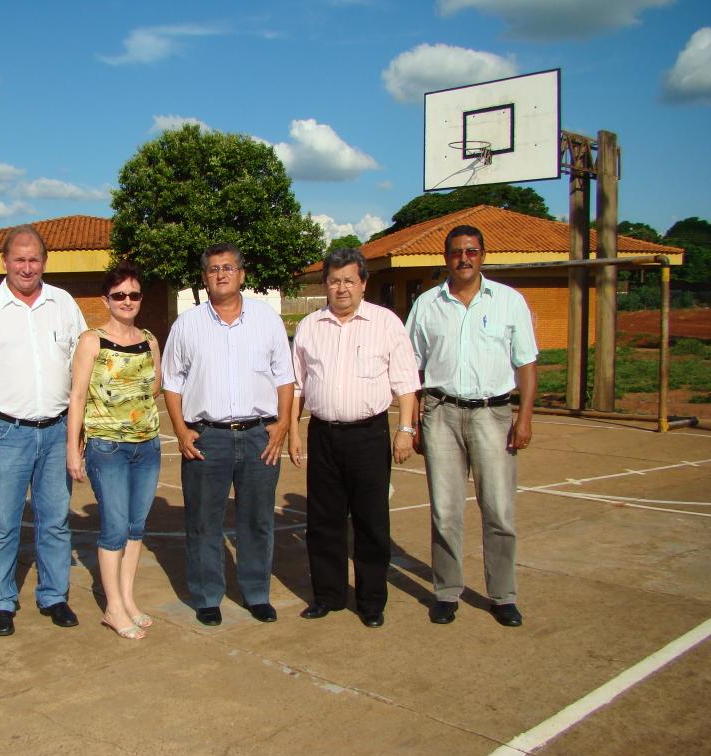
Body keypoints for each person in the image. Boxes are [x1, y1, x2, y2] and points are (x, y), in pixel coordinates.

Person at [0, 224, 87, 637]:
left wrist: (77, 430)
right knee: (1, 522)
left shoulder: (63, 304)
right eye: (19, 259)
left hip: (56, 430)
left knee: (55, 520)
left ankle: (53, 595)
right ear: (4, 262)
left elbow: (82, 365)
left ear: (44, 262)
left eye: (34, 260)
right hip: (4, 432)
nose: (26, 267)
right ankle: (0, 602)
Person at [405, 224, 537, 628]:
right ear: (446, 258)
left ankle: (502, 595)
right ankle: (447, 591)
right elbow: (410, 367)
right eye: (457, 252)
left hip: (493, 415)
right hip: (440, 413)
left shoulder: (509, 302)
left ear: (483, 255)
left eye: (472, 251)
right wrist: (411, 422)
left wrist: (525, 416)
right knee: (445, 511)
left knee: (498, 510)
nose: (464, 258)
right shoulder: (427, 304)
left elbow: (526, 363)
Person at [162, 243, 294, 626]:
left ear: (242, 275)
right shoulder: (187, 324)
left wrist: (283, 423)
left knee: (257, 520)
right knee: (204, 521)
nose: (221, 274)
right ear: (204, 278)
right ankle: (207, 596)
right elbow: (172, 382)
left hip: (258, 436)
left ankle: (256, 593)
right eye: (213, 269)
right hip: (207, 437)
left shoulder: (266, 320)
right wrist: (181, 430)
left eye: (228, 268)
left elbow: (284, 376)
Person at [288, 249, 419, 628]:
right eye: (333, 280)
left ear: (363, 283)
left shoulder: (386, 323)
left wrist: (405, 429)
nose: (341, 288)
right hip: (324, 435)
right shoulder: (311, 326)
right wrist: (294, 431)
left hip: (369, 435)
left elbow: (406, 382)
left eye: (348, 280)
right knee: (323, 520)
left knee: (371, 522)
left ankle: (371, 600)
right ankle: (327, 595)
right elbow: (297, 385)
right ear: (324, 285)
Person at [67, 262, 162, 641]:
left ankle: (127, 600)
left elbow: (153, 387)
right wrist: (73, 449)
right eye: (119, 295)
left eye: (133, 295)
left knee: (136, 528)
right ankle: (112, 607)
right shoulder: (92, 340)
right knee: (114, 529)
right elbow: (76, 396)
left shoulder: (150, 339)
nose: (127, 301)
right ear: (107, 299)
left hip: (147, 446)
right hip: (107, 448)